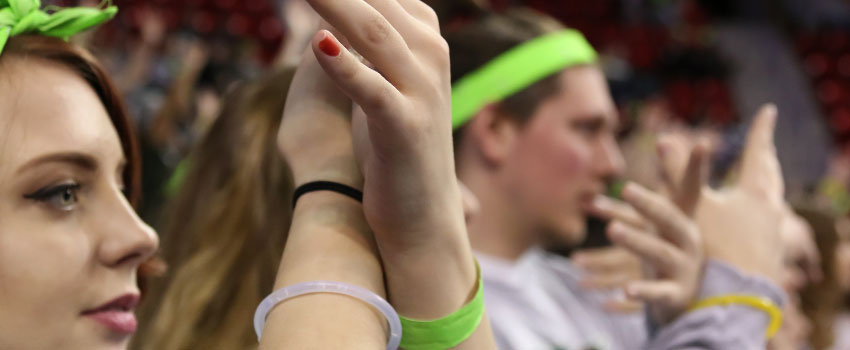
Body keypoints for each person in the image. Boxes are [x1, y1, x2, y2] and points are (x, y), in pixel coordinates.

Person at [447, 7, 788, 349]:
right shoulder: (424, 314)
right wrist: (735, 301)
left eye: (613, 132)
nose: (613, 165)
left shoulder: (590, 291)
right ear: (495, 130)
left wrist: (670, 321)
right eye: (587, 129)